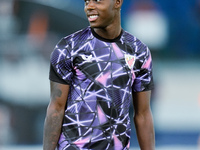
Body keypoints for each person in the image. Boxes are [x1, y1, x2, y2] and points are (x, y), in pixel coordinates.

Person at [43, 0, 155, 149]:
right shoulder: (68, 48)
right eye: (86, 2)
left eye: (97, 1)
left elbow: (143, 114)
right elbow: (56, 108)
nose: (89, 7)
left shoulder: (139, 51)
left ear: (117, 2)